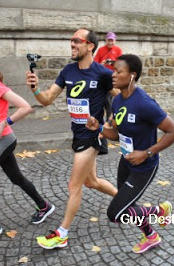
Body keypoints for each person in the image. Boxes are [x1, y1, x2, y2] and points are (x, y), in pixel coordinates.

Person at [26, 28, 118, 249]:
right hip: (77, 134)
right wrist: (35, 88)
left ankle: (62, 233)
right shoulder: (68, 71)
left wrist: (109, 123)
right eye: (71, 41)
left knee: (74, 185)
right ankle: (124, 198)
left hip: (92, 136)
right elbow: (47, 99)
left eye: (77, 41)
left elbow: (125, 97)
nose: (72, 45)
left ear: (90, 46)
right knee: (91, 182)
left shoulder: (103, 73)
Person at [86, 54, 174, 253]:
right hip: (126, 161)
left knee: (115, 213)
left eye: (118, 71)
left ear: (132, 75)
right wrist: (99, 128)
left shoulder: (145, 103)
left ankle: (160, 210)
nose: (113, 75)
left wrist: (147, 152)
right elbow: (116, 134)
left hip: (144, 167)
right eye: (113, 70)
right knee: (129, 205)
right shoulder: (118, 101)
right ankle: (151, 236)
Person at [0, 49, 55, 242]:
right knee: (17, 178)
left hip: (3, 141)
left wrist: (3, 123)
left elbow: (26, 107)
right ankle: (44, 206)